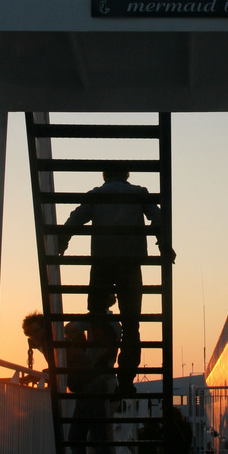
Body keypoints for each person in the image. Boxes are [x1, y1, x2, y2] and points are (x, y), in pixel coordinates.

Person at [57, 163, 175, 398]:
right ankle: (126, 380)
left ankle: (105, 354)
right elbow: (158, 218)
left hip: (102, 261)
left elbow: (75, 218)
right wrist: (163, 246)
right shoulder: (140, 193)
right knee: (132, 326)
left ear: (105, 176)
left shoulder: (97, 195)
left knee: (96, 313)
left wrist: (62, 240)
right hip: (131, 262)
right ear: (126, 175)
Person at [64, 300, 121, 454]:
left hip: (97, 381)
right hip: (104, 380)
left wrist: (78, 331)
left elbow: (69, 327)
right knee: (100, 433)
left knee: (95, 434)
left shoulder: (95, 320)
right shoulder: (115, 323)